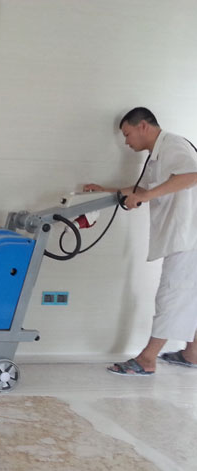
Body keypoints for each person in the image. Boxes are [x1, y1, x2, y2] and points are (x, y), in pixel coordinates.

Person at [84, 107, 197, 375]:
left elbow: (193, 174)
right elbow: (142, 189)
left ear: (143, 126)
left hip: (189, 237)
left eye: (127, 134)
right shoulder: (156, 156)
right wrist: (106, 191)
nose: (126, 142)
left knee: (172, 293)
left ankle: (147, 359)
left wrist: (145, 197)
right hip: (186, 235)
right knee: (189, 294)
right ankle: (193, 353)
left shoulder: (173, 146)